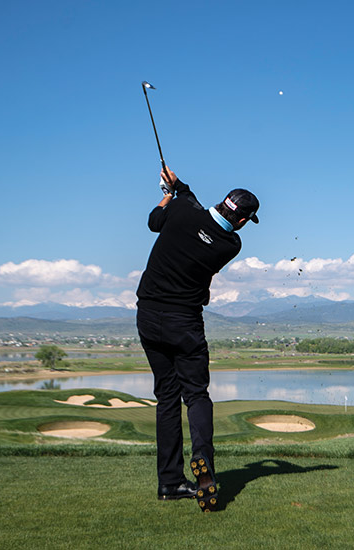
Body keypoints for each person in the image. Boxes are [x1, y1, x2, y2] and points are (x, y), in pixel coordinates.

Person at [135, 165, 259, 511]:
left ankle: (169, 482)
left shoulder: (179, 210)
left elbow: (154, 220)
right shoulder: (230, 244)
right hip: (184, 323)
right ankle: (203, 458)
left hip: (148, 317)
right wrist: (181, 188)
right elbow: (199, 215)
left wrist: (168, 193)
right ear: (243, 220)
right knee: (197, 396)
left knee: (167, 398)